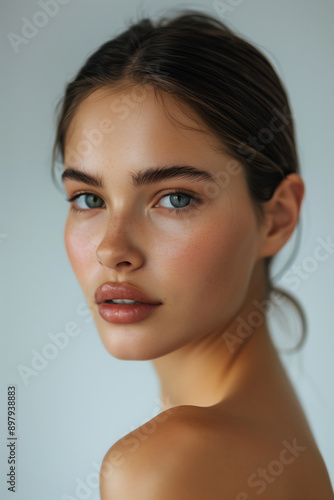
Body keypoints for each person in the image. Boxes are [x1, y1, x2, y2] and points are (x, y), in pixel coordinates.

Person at [51, 9, 334, 499]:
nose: (113, 249)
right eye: (89, 199)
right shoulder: (276, 442)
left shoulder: (167, 468)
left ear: (279, 217)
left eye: (175, 198)